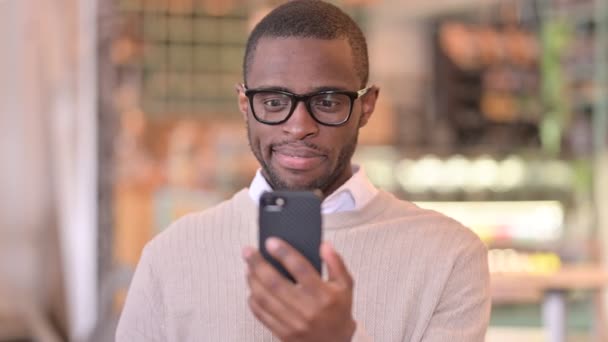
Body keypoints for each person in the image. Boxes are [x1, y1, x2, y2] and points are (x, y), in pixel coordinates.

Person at [116, 1, 491, 341]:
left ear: (367, 106)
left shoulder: (449, 255)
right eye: (275, 101)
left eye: (327, 101)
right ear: (245, 104)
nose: (298, 126)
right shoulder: (172, 255)